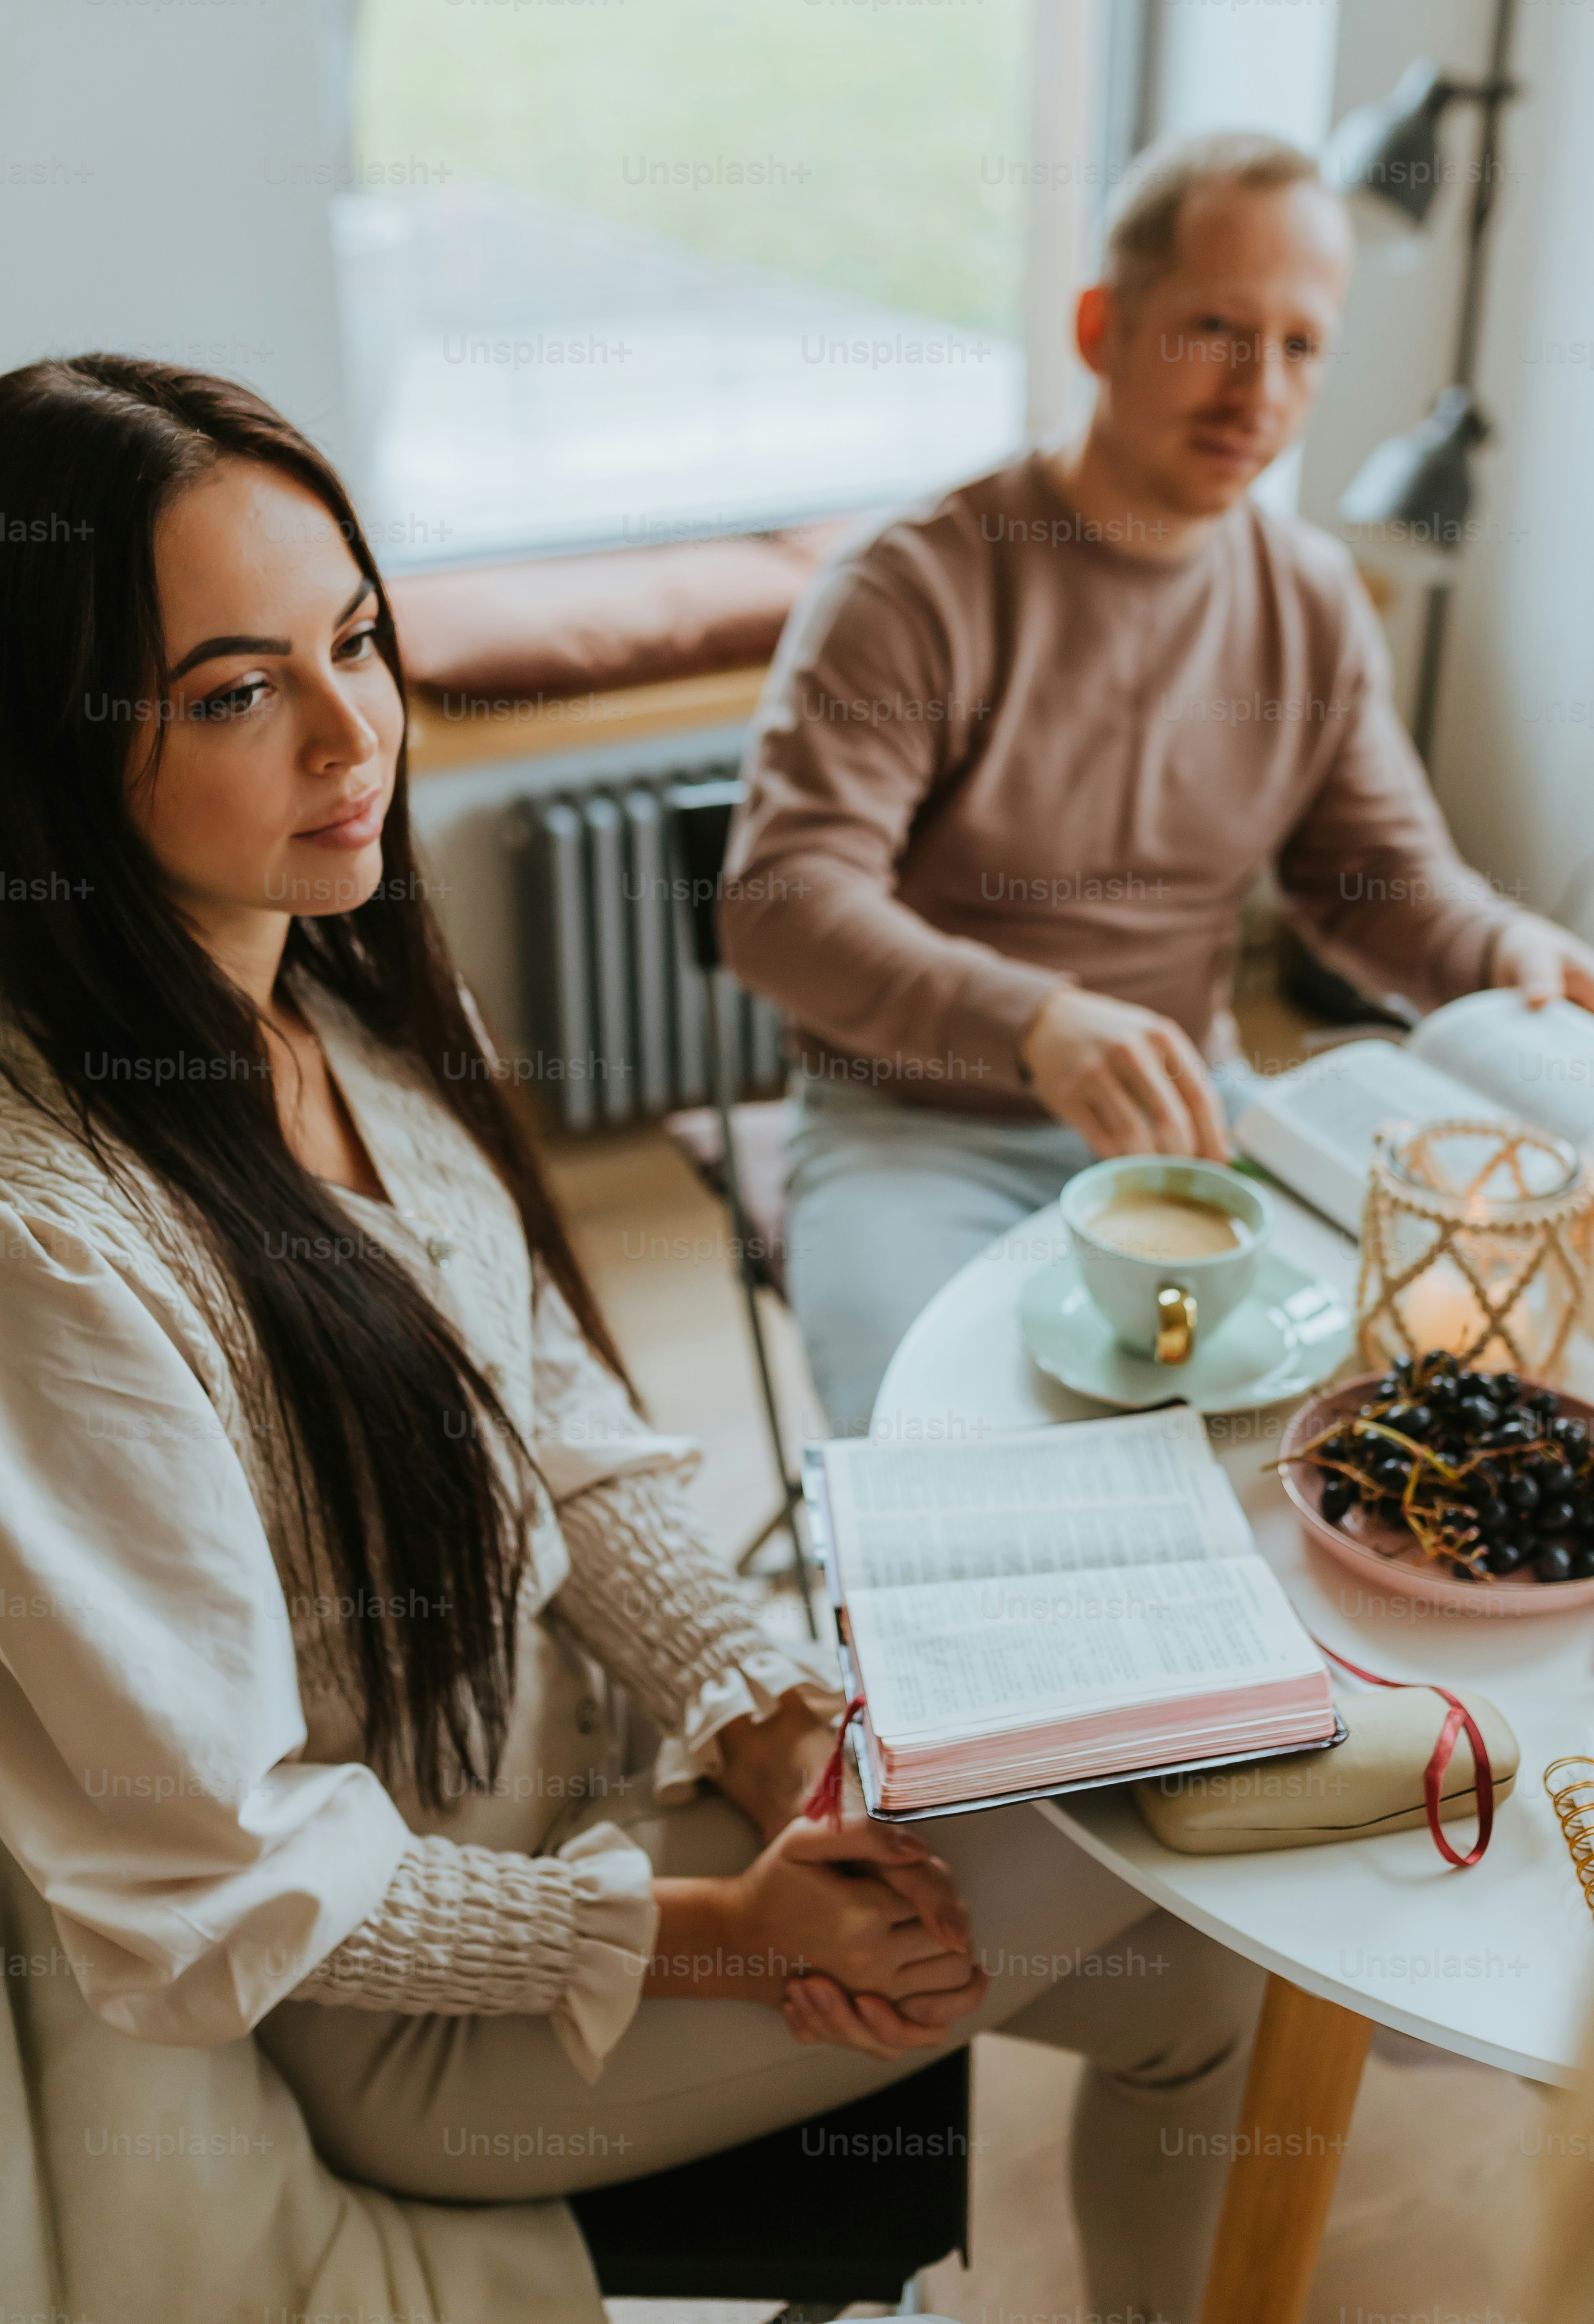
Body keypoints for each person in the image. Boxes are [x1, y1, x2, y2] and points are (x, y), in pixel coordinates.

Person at [0, 354, 1263, 2324]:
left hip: (600, 1816)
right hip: (411, 1996)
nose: (358, 735)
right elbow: (252, 1879)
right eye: (238, 692)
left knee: (1211, 1971)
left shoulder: (345, 1017)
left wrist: (763, 1716)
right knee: (1167, 1847)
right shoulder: (59, 1256)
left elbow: (563, 1438)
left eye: (356, 640)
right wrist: (710, 1936)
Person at [720, 129, 1594, 1438]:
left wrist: (1507, 946)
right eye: (1215, 329)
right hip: (919, 1129)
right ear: (1099, 328)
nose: (1260, 390)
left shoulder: (1309, 599)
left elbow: (1376, 880)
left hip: (1194, 1120)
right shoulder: (914, 587)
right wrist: (1035, 1020)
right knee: (941, 1468)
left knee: (1379, 1423)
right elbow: (782, 902)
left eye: (1302, 346)